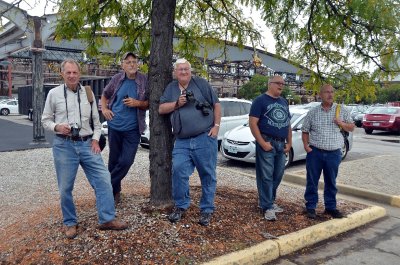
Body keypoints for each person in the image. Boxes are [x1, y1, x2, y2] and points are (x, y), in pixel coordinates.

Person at [42, 59, 128, 239]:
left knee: (104, 180)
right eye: (68, 73)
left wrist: (96, 140)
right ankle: (70, 222)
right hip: (64, 145)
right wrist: (57, 127)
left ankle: (107, 219)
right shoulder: (53, 94)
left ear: (79, 74)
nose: (72, 76)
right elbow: (45, 120)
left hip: (88, 143)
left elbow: (97, 124)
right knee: (65, 187)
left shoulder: (88, 93)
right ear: (62, 74)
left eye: (75, 72)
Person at [159, 58, 221, 226]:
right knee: (178, 170)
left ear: (190, 71)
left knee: (207, 175)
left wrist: (216, 127)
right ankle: (181, 206)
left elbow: (216, 105)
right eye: (180, 70)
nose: (184, 72)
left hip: (204, 137)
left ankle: (207, 210)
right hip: (182, 140)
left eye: (186, 69)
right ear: (175, 72)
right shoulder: (171, 88)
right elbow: (161, 108)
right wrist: (177, 104)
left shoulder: (201, 84)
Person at [101, 52, 149, 204]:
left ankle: (105, 186)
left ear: (138, 64)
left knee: (126, 160)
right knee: (113, 160)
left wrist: (137, 103)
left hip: (133, 128)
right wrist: (104, 109)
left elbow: (149, 103)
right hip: (114, 126)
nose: (131, 64)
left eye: (134, 61)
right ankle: (114, 193)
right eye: (128, 62)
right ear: (123, 65)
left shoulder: (144, 80)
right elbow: (105, 94)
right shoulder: (117, 79)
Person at [301, 84, 355, 219]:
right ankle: (311, 207)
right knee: (312, 181)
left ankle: (330, 207)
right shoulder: (313, 112)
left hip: (334, 153)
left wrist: (341, 123)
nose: (330, 95)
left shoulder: (341, 110)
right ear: (320, 94)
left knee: (331, 181)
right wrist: (307, 147)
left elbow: (352, 127)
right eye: (327, 92)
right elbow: (305, 130)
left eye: (332, 92)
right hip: (315, 153)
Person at [249, 75, 292, 221]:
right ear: (270, 84)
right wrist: (262, 143)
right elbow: (253, 123)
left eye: (283, 84)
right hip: (267, 142)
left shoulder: (284, 102)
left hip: (281, 143)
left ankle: (269, 201)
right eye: (278, 83)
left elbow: (288, 124)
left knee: (277, 175)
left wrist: (289, 142)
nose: (281, 86)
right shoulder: (260, 101)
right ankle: (266, 206)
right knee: (266, 176)